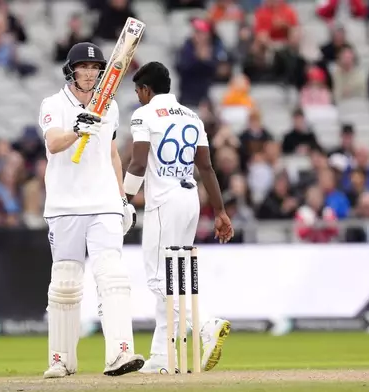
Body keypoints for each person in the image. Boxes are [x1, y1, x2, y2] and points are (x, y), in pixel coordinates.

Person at [37, 42, 143, 379]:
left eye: (95, 68)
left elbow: (111, 153)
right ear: (71, 70)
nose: (90, 73)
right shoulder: (53, 104)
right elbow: (53, 143)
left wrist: (122, 197)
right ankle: (61, 359)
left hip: (103, 204)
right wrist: (76, 130)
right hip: (65, 204)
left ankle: (120, 353)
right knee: (66, 283)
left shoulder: (107, 105)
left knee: (112, 275)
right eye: (83, 67)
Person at [122, 62, 235, 374]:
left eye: (138, 91)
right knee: (175, 280)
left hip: (163, 202)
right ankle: (162, 356)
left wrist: (123, 200)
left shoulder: (143, 115)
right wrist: (221, 212)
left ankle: (205, 325)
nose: (138, 97)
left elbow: (138, 163)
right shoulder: (192, 116)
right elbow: (207, 168)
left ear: (145, 89)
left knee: (159, 279)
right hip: (191, 200)